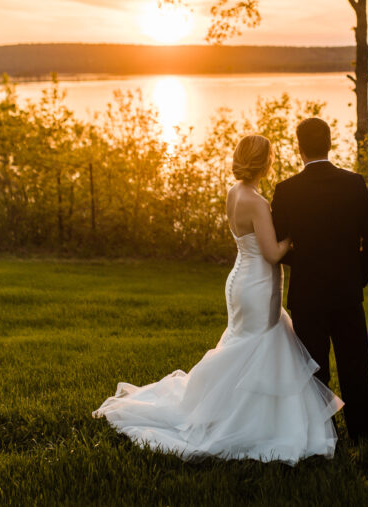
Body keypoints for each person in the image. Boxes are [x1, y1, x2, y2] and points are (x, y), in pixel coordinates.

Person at [92, 134, 343, 464]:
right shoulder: (254, 199)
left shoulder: (234, 193)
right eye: (269, 157)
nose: (271, 161)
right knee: (258, 345)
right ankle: (248, 420)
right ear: (262, 161)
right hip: (257, 281)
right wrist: (296, 236)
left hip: (240, 278)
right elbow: (271, 253)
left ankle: (230, 407)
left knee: (243, 345)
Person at [271, 117, 368, 441]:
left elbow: (278, 243)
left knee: (313, 367)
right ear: (330, 143)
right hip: (347, 290)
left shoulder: (286, 190)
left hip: (307, 292)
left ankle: (322, 433)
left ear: (298, 147)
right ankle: (362, 434)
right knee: (355, 364)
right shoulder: (354, 183)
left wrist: (301, 261)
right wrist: (356, 278)